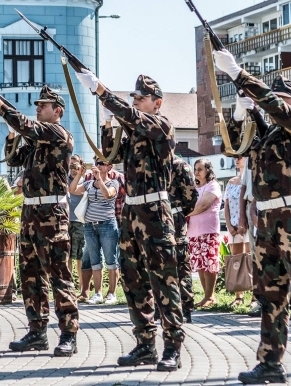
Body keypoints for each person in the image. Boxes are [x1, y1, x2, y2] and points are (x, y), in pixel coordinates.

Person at [214, 48, 291, 386]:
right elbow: (233, 148)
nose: (274, 104)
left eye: (282, 99)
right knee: (270, 298)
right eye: (274, 97)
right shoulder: (265, 137)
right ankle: (270, 364)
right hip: (266, 224)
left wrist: (239, 74)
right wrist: (239, 112)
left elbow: (272, 105)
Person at [77, 69, 183, 371]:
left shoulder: (161, 126)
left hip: (155, 211)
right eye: (134, 97)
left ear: (157, 103)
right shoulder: (136, 129)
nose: (135, 101)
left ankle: (172, 346)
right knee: (133, 280)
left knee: (164, 281)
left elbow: (134, 119)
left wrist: (101, 91)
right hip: (132, 213)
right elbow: (110, 154)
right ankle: (145, 344)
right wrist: (107, 121)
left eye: (141, 97)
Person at [0, 84, 78, 357]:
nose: (37, 108)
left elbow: (27, 125)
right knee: (31, 276)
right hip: (31, 213)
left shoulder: (58, 133)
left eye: (43, 105)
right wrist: (12, 135)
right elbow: (12, 160)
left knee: (59, 275)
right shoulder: (36, 140)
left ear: (57, 111)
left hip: (52, 214)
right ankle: (37, 331)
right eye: (37, 105)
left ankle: (68, 332)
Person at [69, 159, 119, 305]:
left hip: (107, 225)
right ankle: (97, 293)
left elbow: (108, 195)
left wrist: (99, 179)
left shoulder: (113, 183)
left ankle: (112, 293)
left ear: (109, 167)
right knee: (95, 261)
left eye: (102, 163)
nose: (98, 165)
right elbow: (72, 190)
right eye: (97, 162)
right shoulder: (89, 183)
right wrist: (79, 175)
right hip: (90, 226)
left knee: (111, 260)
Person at [166, 157, 198, 323]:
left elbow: (191, 195)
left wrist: (180, 212)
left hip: (174, 218)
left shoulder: (179, 165)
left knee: (180, 263)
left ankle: (185, 308)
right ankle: (161, 307)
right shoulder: (150, 161)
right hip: (153, 217)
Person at [188, 159, 223, 309]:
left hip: (208, 230)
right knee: (201, 264)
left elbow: (203, 205)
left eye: (200, 169)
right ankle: (205, 296)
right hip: (193, 231)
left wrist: (187, 212)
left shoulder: (213, 185)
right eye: (195, 169)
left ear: (208, 170)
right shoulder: (194, 187)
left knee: (209, 263)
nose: (196, 172)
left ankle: (210, 296)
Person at [224, 155, 249, 307]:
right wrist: (229, 226)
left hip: (246, 225)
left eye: (240, 157)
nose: (236, 160)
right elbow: (226, 205)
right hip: (233, 226)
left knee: (249, 259)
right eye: (235, 158)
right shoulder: (231, 181)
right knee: (236, 260)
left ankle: (254, 297)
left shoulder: (250, 180)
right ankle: (239, 296)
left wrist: (243, 223)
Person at [66, 155, 88, 299]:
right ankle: (69, 288)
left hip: (80, 221)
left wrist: (81, 174)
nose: (73, 169)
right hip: (66, 221)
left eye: (76, 166)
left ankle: (82, 290)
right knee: (66, 255)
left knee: (79, 256)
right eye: (71, 166)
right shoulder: (63, 179)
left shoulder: (85, 181)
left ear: (81, 166)